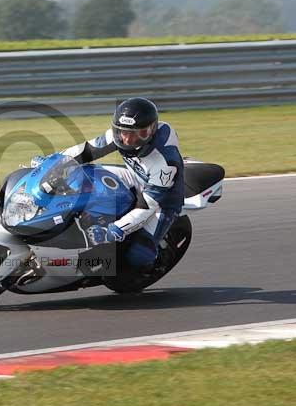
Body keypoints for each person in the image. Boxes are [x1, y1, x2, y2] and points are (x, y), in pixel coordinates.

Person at [34, 97, 184, 277]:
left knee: (140, 256)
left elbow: (147, 207)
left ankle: (143, 263)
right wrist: (54, 162)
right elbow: (87, 150)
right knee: (83, 176)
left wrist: (117, 229)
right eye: (123, 132)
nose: (127, 139)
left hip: (162, 199)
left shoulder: (164, 162)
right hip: (135, 175)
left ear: (151, 131)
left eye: (138, 134)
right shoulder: (121, 134)